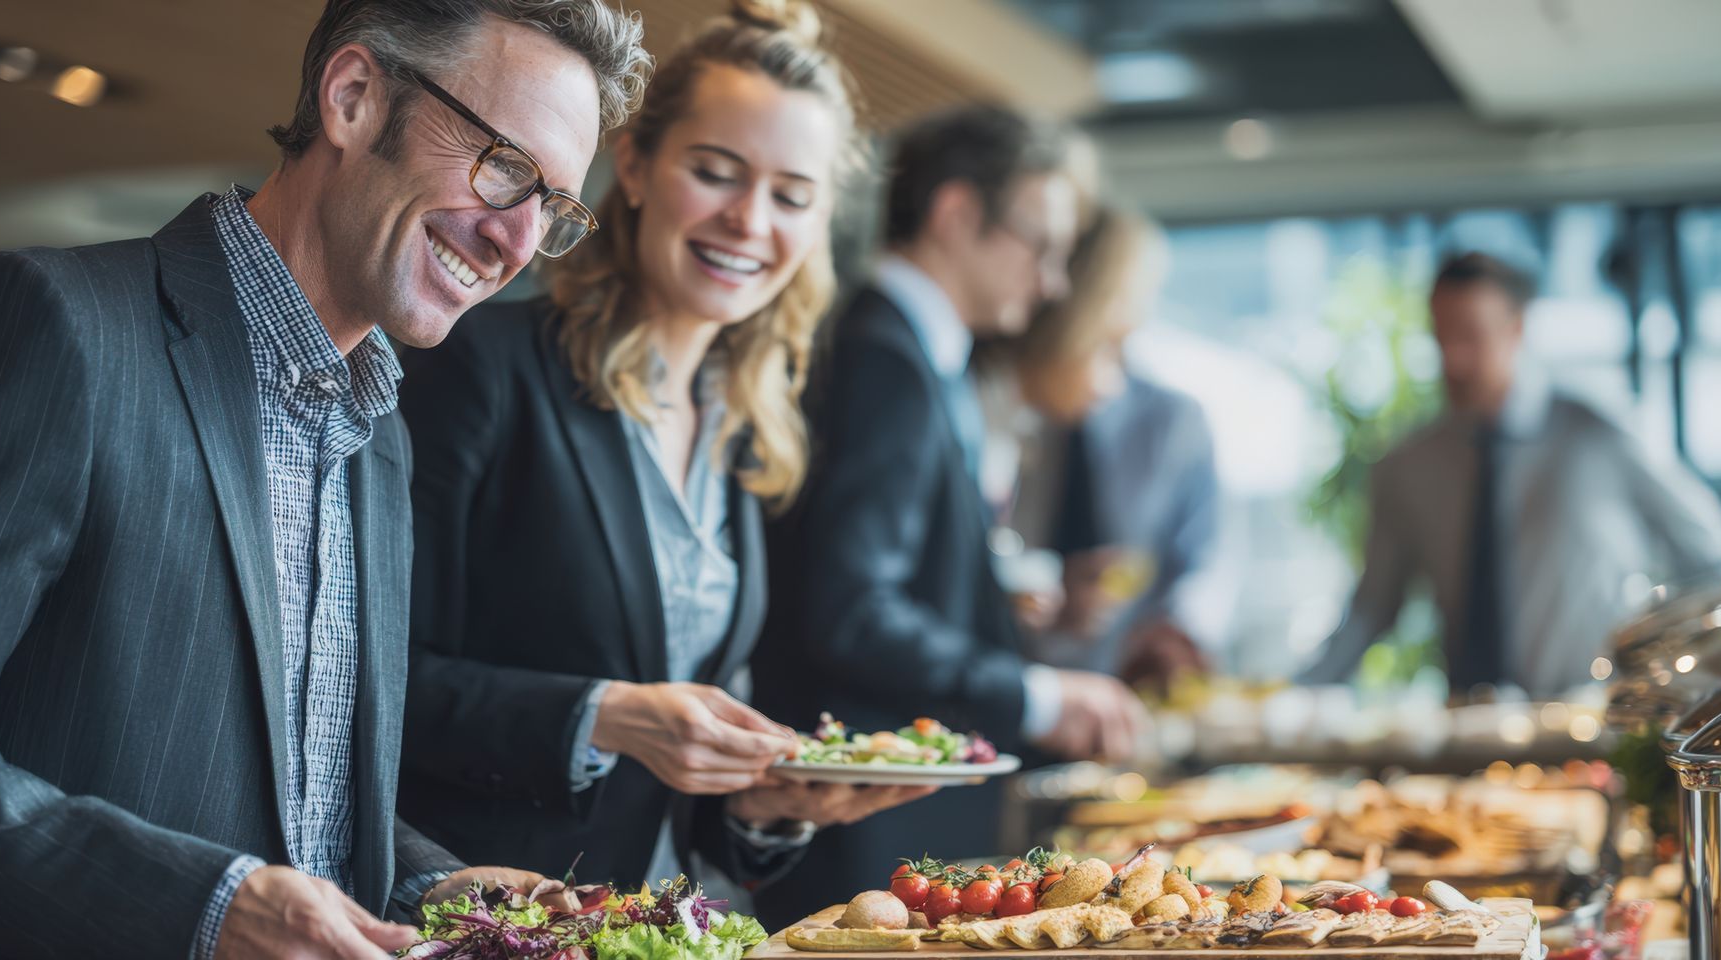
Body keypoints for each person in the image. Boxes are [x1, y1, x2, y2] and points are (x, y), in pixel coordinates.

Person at [0, 2, 651, 957]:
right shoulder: (52, 322)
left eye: (556, 208)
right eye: (507, 168)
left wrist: (434, 884)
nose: (519, 241)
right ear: (355, 98)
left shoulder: (385, 436)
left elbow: (301, 803)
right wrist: (201, 904)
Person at [396, 0, 929, 896]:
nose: (750, 221)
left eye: (792, 196)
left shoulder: (743, 424)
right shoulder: (484, 367)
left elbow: (687, 793)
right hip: (497, 918)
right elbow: (368, 680)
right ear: (636, 164)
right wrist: (603, 716)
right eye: (717, 172)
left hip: (667, 921)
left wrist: (771, 804)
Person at [750, 106, 1151, 925]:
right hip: (865, 835)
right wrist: (1035, 695)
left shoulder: (908, 354)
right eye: (1038, 245)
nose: (1052, 283)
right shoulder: (881, 361)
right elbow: (852, 608)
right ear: (956, 214)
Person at [1302, 252, 1721, 698]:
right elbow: (1371, 610)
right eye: (1441, 337)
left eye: (1470, 336)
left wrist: (1698, 685)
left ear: (1515, 329)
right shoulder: (1409, 463)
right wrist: (1291, 698)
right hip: (1471, 732)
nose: (1453, 360)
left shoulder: (1599, 435)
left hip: (1593, 723)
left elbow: (1713, 562)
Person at [974, 205, 1222, 691]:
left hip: (1115, 685)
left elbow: (1204, 561)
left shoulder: (1173, 419)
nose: (1112, 379)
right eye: (1107, 343)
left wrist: (1171, 634)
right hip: (1005, 688)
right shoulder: (991, 416)